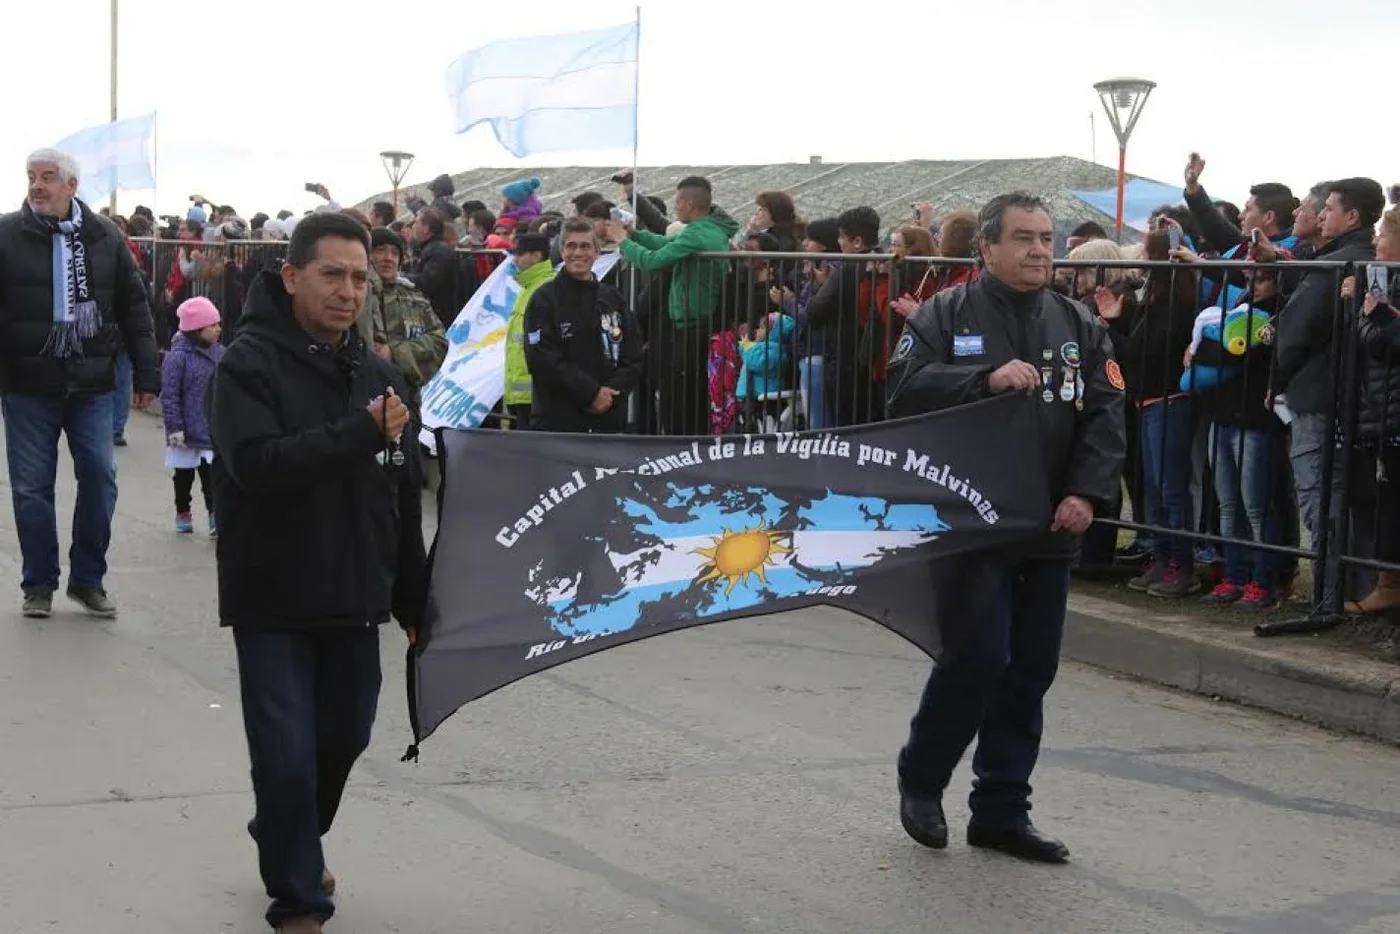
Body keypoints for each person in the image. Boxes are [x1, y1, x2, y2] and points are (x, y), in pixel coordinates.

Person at [885, 191, 1126, 863]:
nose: (1040, 250)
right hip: (973, 522)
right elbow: (902, 387)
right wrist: (981, 380)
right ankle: (922, 779)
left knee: (1029, 670)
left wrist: (1087, 492)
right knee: (979, 656)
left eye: (1047, 237)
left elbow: (1106, 411)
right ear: (987, 247)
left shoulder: (1078, 322)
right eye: (1024, 238)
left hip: (1049, 524)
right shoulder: (945, 313)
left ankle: (1000, 811)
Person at [209, 213, 428, 934]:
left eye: (361, 278)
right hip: (271, 596)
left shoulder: (381, 375)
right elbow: (257, 467)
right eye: (332, 274)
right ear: (292, 277)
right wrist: (360, 431)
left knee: (344, 738)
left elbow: (399, 491)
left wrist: (412, 595)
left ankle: (284, 828)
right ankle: (299, 897)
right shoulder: (246, 364)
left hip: (353, 596)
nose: (348, 291)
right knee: (284, 751)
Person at [0, 148, 160, 619]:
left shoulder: (104, 236)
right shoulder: (7, 235)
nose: (37, 186)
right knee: (31, 488)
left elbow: (135, 308)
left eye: (48, 178)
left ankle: (87, 579)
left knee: (100, 478)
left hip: (92, 384)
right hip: (27, 383)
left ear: (72, 186)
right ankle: (39, 584)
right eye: (32, 177)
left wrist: (147, 373)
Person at [524, 218, 644, 433]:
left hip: (608, 418)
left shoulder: (612, 298)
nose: (577, 253)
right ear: (562, 251)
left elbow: (633, 354)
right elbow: (542, 358)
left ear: (597, 252)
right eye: (571, 246)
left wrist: (610, 393)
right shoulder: (543, 299)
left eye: (585, 246)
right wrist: (591, 393)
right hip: (558, 422)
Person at [367, 226, 447, 413]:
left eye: (395, 253)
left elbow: (439, 340)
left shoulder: (414, 297)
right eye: (380, 250)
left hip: (406, 400)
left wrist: (395, 353)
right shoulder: (359, 295)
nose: (388, 258)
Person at [162, 296, 224, 535]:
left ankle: (215, 513)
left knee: (212, 475)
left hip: (210, 428)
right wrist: (174, 427)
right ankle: (183, 511)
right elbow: (170, 395)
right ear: (198, 329)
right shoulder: (178, 358)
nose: (219, 329)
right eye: (213, 324)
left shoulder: (220, 354)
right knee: (184, 474)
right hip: (186, 431)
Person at [502, 232, 557, 429]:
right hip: (523, 392)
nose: (515, 259)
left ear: (537, 256)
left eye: (520, 253)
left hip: (535, 394)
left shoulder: (545, 288)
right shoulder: (529, 287)